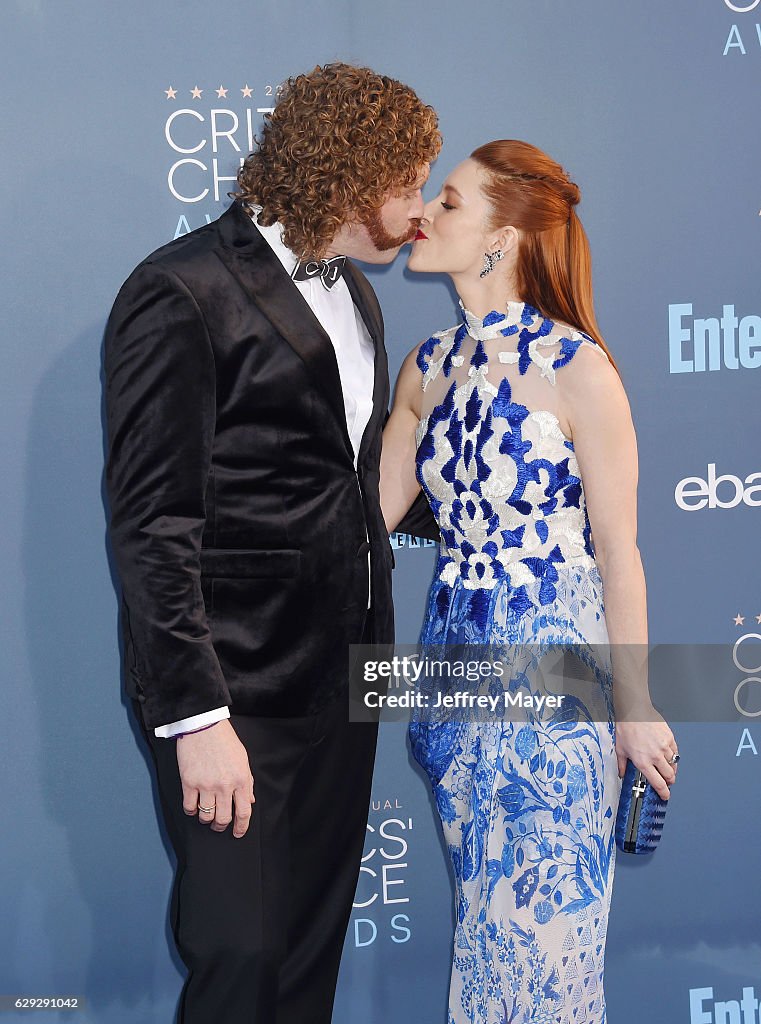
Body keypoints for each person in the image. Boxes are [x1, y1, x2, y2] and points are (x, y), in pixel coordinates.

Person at [104, 62, 440, 1024]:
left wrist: (481, 503)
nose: (420, 212)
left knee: (306, 953)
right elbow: (151, 523)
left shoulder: (361, 301)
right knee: (240, 956)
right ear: (347, 177)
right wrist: (197, 720)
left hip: (349, 671)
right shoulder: (182, 291)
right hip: (234, 688)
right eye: (408, 184)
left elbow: (353, 478)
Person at [380, 139, 678, 1023]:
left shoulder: (577, 369)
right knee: (483, 935)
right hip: (452, 674)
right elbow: (364, 518)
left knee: (548, 948)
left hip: (556, 675)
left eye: (453, 201)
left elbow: (617, 553)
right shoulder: (426, 368)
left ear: (503, 238)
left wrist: (636, 703)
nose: (426, 210)